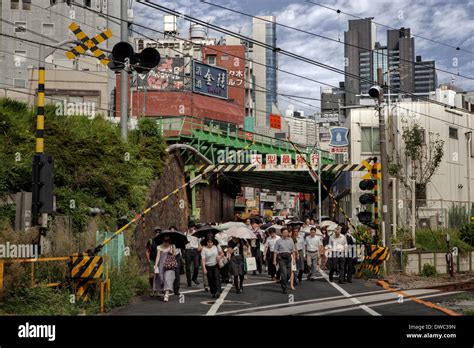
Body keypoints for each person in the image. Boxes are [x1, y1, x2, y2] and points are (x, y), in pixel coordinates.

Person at [153, 236, 177, 302]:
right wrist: (155, 265)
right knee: (162, 279)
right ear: (162, 241)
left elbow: (175, 254)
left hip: (170, 265)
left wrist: (171, 252)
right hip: (161, 265)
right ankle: (163, 290)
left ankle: (166, 294)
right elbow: (158, 256)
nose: (166, 243)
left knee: (167, 278)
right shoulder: (159, 247)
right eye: (164, 242)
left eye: (167, 242)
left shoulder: (172, 246)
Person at [273, 227, 296, 294]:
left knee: (288, 274)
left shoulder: (291, 240)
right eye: (284, 232)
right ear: (281, 233)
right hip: (281, 259)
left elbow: (293, 251)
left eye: (287, 232)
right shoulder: (278, 241)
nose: (286, 234)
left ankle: (283, 281)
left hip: (289, 258)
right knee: (284, 273)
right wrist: (274, 260)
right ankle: (284, 288)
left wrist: (294, 259)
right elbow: (275, 251)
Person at [145, 226, 161, 295]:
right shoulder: (150, 241)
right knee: (151, 276)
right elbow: (147, 251)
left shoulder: (161, 241)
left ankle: (157, 290)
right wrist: (148, 259)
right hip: (152, 260)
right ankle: (152, 289)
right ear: (154, 233)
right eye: (156, 232)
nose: (157, 233)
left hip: (160, 261)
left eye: (159, 232)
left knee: (158, 276)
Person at [168, 226, 182, 296]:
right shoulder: (167, 239)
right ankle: (169, 288)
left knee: (177, 273)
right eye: (171, 231)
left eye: (173, 231)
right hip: (169, 256)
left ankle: (176, 289)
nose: (172, 232)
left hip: (177, 256)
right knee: (169, 273)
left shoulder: (178, 238)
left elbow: (180, 248)